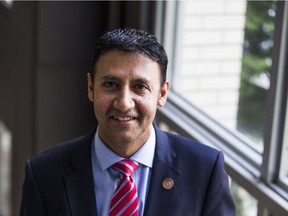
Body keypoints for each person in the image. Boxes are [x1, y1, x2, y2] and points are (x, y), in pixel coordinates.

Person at [20, 28, 236, 216]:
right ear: (91, 88)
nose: (124, 103)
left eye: (140, 86)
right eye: (111, 84)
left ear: (161, 94)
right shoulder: (44, 175)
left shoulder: (205, 171)